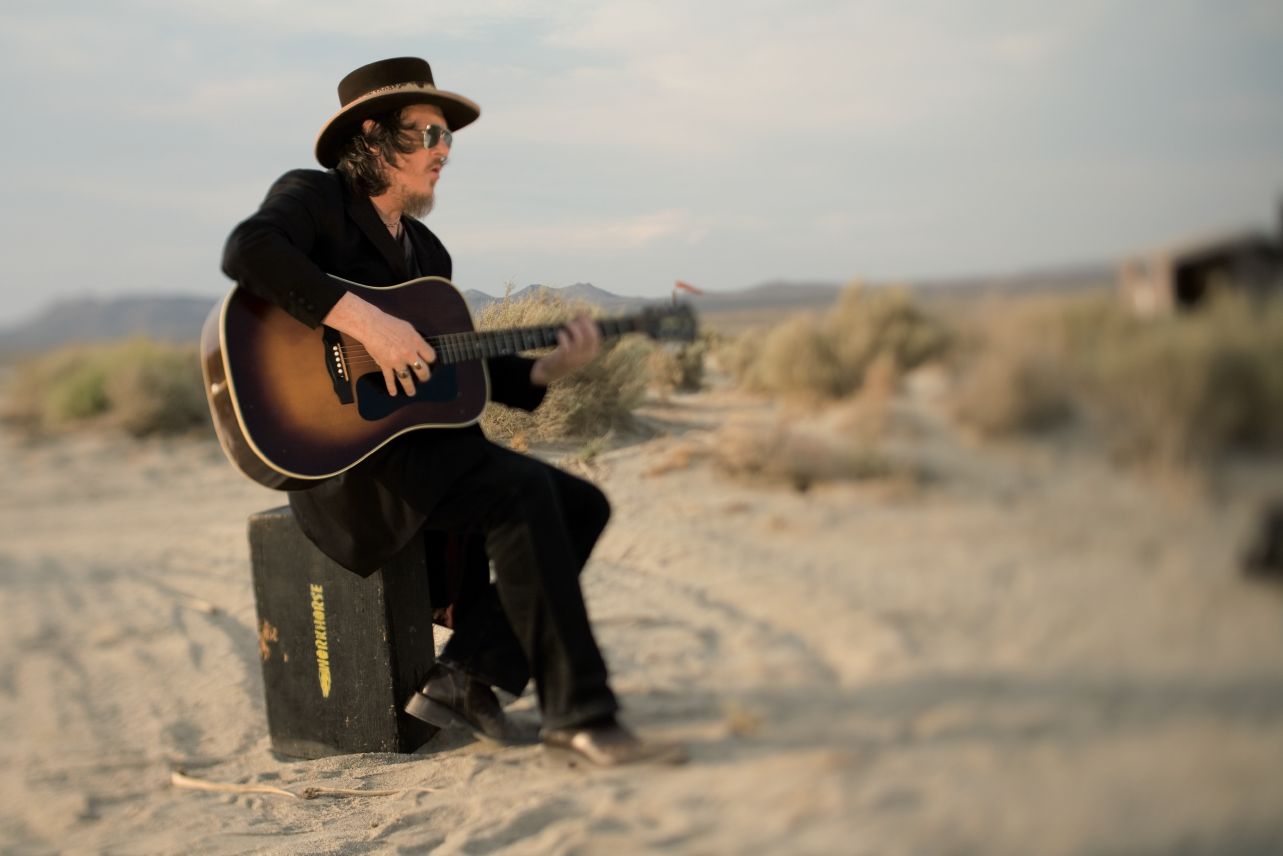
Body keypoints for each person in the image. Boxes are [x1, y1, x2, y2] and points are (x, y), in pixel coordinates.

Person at [222, 57, 683, 766]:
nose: (444, 151)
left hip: (424, 452)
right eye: (428, 133)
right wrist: (368, 324)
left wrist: (547, 370)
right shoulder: (316, 199)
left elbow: (451, 362)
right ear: (373, 136)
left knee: (582, 504)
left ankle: (468, 676)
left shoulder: (427, 250)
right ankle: (580, 717)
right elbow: (249, 250)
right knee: (523, 494)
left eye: (449, 138)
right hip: (352, 463)